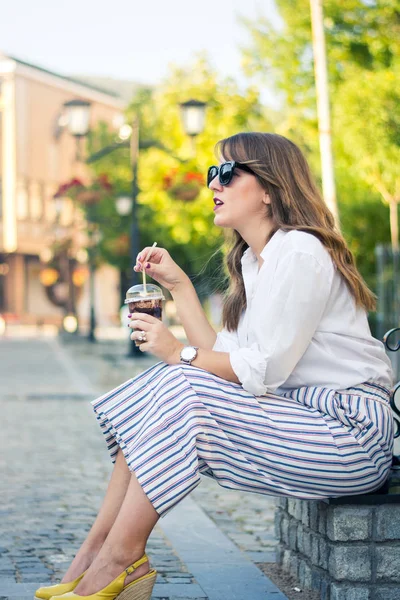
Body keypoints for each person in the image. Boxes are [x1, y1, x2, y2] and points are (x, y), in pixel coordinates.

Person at [35, 132, 394, 600]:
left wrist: (175, 351)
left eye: (227, 172)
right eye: (212, 174)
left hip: (348, 435)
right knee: (167, 385)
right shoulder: (255, 262)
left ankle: (119, 560)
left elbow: (264, 369)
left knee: (179, 378)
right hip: (302, 422)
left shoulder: (301, 250)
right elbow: (223, 359)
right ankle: (94, 554)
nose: (213, 185)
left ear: (269, 187)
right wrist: (180, 287)